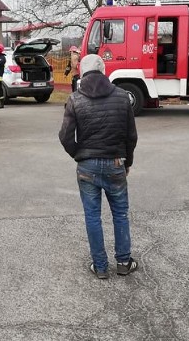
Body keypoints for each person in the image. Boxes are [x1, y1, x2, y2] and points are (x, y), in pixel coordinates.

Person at [58, 54, 138, 280]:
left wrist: (80, 155)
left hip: (87, 166)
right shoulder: (122, 97)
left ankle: (100, 266)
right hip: (116, 163)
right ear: (103, 71)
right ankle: (123, 262)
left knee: (92, 216)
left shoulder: (75, 99)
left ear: (82, 73)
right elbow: (131, 136)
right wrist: (127, 162)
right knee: (120, 214)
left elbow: (65, 136)